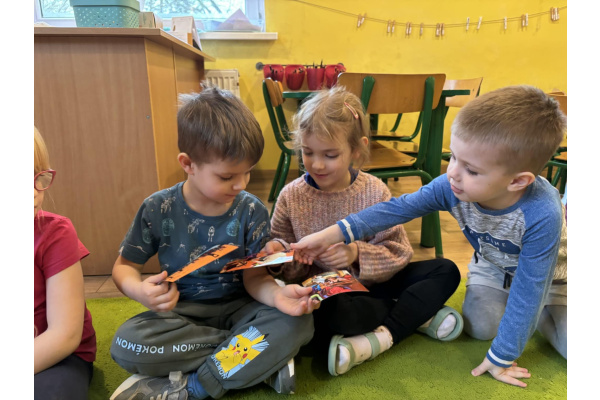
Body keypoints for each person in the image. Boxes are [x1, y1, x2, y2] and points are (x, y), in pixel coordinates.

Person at [292, 85, 568, 388]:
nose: (453, 173)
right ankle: (528, 316)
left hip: (555, 279)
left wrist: (503, 356)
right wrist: (330, 235)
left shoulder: (542, 212)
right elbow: (397, 209)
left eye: (471, 170)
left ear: (517, 181)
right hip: (494, 267)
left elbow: (532, 285)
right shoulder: (452, 185)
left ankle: (539, 314)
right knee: (481, 327)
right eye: (453, 157)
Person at [109, 85, 317, 400]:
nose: (241, 184)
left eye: (248, 173)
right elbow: (124, 267)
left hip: (243, 308)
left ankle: (197, 385)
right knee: (127, 344)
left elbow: (255, 278)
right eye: (226, 177)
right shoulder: (157, 207)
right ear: (188, 164)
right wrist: (139, 290)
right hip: (184, 316)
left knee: (297, 322)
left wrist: (276, 295)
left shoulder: (252, 210)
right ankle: (253, 357)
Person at [262, 86, 463, 377]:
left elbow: (399, 253)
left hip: (377, 285)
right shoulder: (291, 195)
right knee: (327, 314)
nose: (316, 164)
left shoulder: (374, 190)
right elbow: (285, 264)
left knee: (446, 270)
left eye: (330, 155)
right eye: (307, 152)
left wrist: (356, 253)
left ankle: (385, 332)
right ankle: (416, 314)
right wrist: (280, 255)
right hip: (332, 297)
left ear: (356, 150)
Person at [34, 127, 97, 399]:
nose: (34, 192)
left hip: (59, 356)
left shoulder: (55, 233)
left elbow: (65, 335)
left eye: (37, 176)